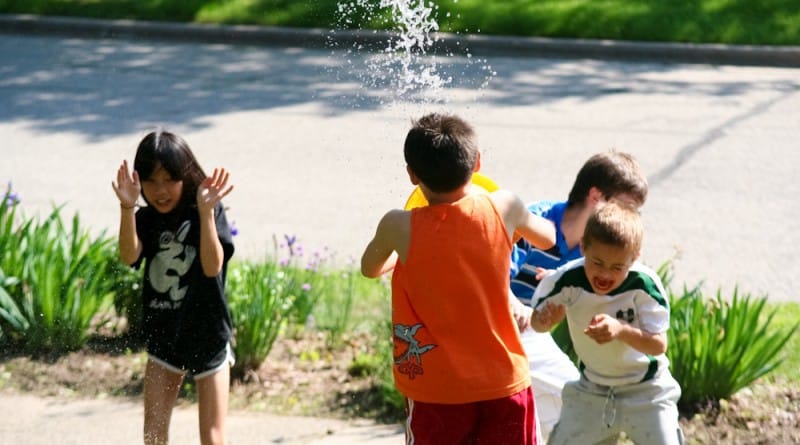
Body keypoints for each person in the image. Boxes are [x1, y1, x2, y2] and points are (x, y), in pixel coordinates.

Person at [361, 113, 557, 444]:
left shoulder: (398, 226)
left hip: (436, 391)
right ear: (477, 163)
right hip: (503, 381)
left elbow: (371, 268)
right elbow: (548, 238)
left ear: (412, 175)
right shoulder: (504, 206)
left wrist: (405, 253)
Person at [509, 151, 649, 439]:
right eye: (627, 207)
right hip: (503, 325)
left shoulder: (597, 253)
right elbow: (491, 273)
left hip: (532, 336)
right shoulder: (536, 221)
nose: (629, 219)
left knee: (568, 410)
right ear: (596, 197)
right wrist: (515, 305)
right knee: (576, 404)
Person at [112, 130, 236, 445]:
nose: (161, 191)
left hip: (208, 334)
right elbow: (129, 256)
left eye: (169, 179)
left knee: (212, 438)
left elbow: (212, 267)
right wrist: (127, 209)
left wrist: (207, 213)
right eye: (152, 182)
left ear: (185, 176)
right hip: (164, 332)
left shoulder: (206, 209)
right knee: (154, 436)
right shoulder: (146, 217)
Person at [531, 201, 683, 445]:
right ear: (583, 247)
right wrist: (546, 320)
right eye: (597, 263)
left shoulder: (644, 286)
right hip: (593, 388)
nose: (605, 275)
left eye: (617, 267)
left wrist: (620, 330)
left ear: (634, 258)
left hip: (647, 389)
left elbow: (658, 345)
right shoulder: (568, 279)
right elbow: (537, 325)